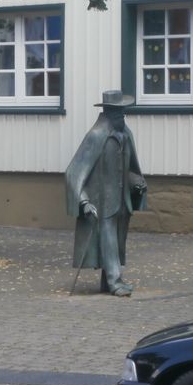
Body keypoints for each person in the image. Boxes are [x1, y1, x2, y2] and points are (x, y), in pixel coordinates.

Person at [65, 90, 147, 297]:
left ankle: (107, 281)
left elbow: (130, 168)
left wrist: (137, 183)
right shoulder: (96, 136)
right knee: (109, 238)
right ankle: (115, 281)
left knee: (117, 240)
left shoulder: (125, 135)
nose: (123, 117)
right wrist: (83, 201)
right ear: (109, 112)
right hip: (102, 200)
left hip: (121, 200)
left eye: (123, 113)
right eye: (119, 113)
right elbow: (74, 171)